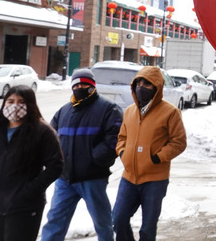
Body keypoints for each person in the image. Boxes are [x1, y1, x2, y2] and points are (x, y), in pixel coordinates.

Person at [0, 85, 63, 241]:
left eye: (21, 101)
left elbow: (56, 166)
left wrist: (29, 191)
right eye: (10, 101)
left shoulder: (42, 132)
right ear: (4, 104)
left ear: (30, 104)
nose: (15, 106)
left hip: (24, 208)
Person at [41, 69, 123, 241]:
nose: (80, 87)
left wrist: (95, 159)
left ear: (92, 85)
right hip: (65, 179)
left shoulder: (108, 109)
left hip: (92, 178)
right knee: (55, 221)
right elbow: (50, 139)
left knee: (102, 222)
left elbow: (115, 138)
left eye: (84, 84)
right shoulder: (63, 111)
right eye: (76, 84)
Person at [113, 66, 187, 241]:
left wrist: (158, 157)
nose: (141, 87)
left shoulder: (170, 112)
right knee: (117, 219)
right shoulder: (130, 111)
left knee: (147, 229)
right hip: (129, 177)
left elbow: (179, 142)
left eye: (147, 84)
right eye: (138, 82)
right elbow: (121, 137)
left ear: (157, 87)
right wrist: (122, 152)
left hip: (155, 180)